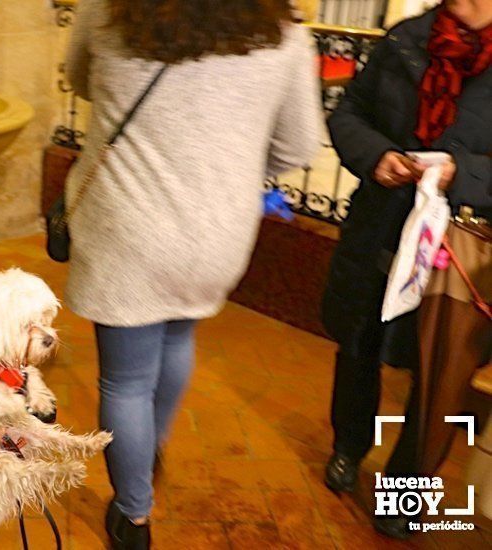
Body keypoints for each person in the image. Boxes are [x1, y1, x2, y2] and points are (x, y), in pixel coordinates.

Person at [62, 1, 321, 548]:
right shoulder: (284, 33)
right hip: (216, 233)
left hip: (125, 226)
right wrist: (229, 164)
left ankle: (133, 515)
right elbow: (298, 144)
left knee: (125, 381)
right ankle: (148, 446)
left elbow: (80, 81)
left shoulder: (108, 13)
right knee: (178, 333)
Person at [322, 0, 492, 540]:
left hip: (466, 246)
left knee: (438, 371)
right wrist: (377, 155)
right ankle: (348, 446)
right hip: (383, 225)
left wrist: (460, 172)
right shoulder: (405, 40)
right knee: (358, 344)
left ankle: (407, 490)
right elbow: (349, 112)